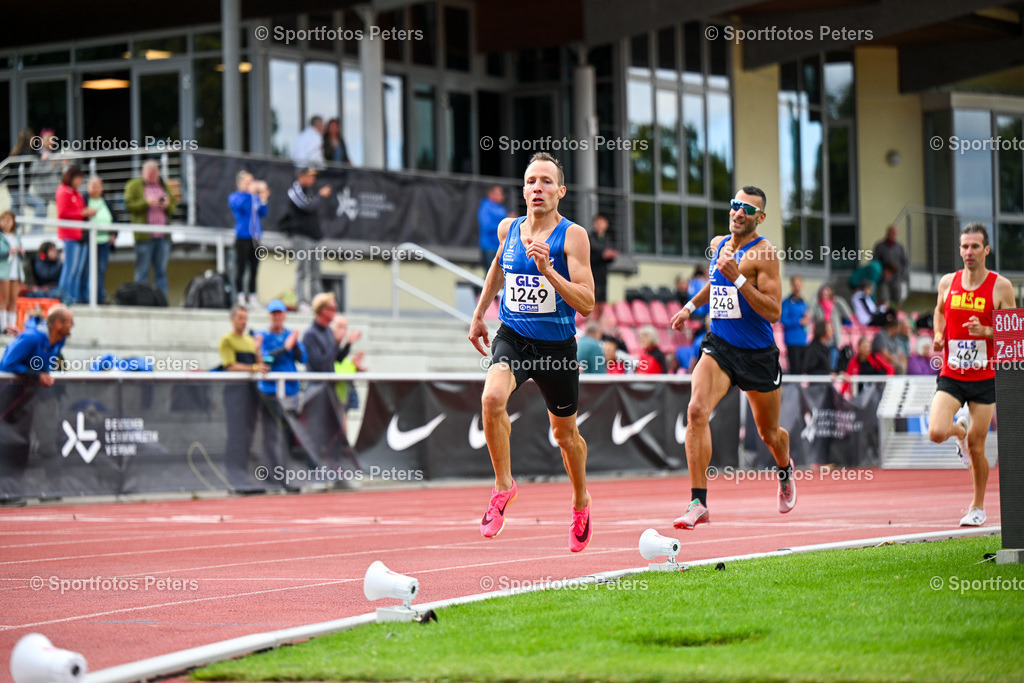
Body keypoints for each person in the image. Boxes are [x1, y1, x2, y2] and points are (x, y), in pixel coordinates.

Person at [468, 152, 595, 552]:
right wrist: (479, 314)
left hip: (556, 347)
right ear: (523, 190)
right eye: (530, 181)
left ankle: (581, 502)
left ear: (561, 191)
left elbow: (588, 303)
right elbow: (498, 268)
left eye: (545, 181)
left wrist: (550, 271)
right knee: (491, 399)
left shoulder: (573, 236)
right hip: (514, 337)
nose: (537, 188)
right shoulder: (508, 228)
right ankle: (503, 487)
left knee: (565, 435)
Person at [670, 186, 795, 529]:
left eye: (748, 209)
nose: (739, 212)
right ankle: (699, 502)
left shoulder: (765, 254)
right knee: (696, 411)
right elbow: (715, 283)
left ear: (760, 217)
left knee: (769, 434)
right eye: (736, 205)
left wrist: (738, 277)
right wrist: (690, 306)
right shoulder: (719, 244)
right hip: (720, 346)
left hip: (756, 354)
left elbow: (773, 312)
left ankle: (785, 468)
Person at [927, 223, 1015, 527]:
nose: (969, 252)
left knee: (978, 447)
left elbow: (1014, 336)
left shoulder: (1001, 287)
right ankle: (959, 431)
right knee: (936, 432)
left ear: (986, 250)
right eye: (964, 246)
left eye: (975, 246)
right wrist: (938, 334)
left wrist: (987, 331)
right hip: (952, 372)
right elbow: (939, 311)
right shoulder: (947, 282)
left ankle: (977, 507)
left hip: (985, 377)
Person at [0, 305, 74, 504]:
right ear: (57, 324)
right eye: (69, 322)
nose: (72, 326)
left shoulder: (59, 341)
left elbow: (45, 364)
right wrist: (36, 376)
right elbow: (7, 363)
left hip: (35, 394)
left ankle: (49, 490)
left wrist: (42, 376)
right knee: (12, 443)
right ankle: (7, 493)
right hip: (12, 394)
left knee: (43, 442)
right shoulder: (31, 338)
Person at [255, 300, 307, 485]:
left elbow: (302, 359)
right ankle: (270, 477)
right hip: (270, 392)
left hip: (290, 392)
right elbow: (266, 361)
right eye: (273, 313)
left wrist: (293, 345)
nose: (277, 317)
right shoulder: (262, 336)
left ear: (284, 315)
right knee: (270, 435)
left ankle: (286, 476)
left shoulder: (291, 335)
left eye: (279, 313)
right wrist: (286, 347)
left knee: (287, 435)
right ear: (269, 316)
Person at [218, 305, 268, 492]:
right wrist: (253, 368)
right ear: (232, 319)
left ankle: (243, 477)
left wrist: (258, 350)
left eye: (245, 318)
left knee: (248, 435)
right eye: (240, 318)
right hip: (234, 393)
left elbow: (260, 364)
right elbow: (230, 366)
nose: (243, 321)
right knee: (236, 436)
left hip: (251, 393)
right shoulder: (227, 340)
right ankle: (233, 479)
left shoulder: (250, 340)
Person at [280, 167, 332, 312]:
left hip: (315, 237)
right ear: (301, 177)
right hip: (301, 237)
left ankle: (317, 302)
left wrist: (319, 234)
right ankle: (301, 301)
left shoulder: (310, 192)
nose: (313, 179)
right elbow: (307, 207)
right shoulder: (295, 191)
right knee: (302, 270)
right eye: (310, 176)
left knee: (316, 272)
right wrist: (320, 195)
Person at [124, 160, 176, 298]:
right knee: (142, 271)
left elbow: (173, 207)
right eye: (150, 173)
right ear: (143, 172)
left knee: (161, 272)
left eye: (155, 173)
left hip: (162, 236)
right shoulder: (134, 185)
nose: (152, 176)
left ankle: (161, 300)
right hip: (144, 237)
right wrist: (146, 202)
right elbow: (128, 205)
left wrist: (167, 205)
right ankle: (141, 301)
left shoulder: (163, 186)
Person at [55, 165, 96, 304]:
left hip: (79, 235)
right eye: (78, 178)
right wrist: (82, 213)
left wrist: (87, 212)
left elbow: (81, 210)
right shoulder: (63, 191)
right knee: (70, 269)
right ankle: (65, 297)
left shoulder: (76, 193)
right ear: (71, 177)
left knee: (77, 270)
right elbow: (63, 213)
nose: (80, 181)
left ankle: (73, 297)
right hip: (70, 235)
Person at [228, 171, 270, 307]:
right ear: (240, 183)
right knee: (241, 268)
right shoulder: (235, 197)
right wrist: (250, 193)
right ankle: (240, 295)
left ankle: (252, 296)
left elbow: (263, 212)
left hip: (255, 238)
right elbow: (241, 207)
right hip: (242, 237)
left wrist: (263, 198)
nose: (251, 184)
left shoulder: (254, 197)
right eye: (247, 182)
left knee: (254, 268)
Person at [303, 293, 361, 373]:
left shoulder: (329, 331)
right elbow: (319, 365)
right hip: (317, 380)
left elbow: (337, 359)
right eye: (333, 309)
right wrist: (336, 343)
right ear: (324, 310)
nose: (335, 312)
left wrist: (347, 344)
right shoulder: (310, 334)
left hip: (330, 380)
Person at [84, 176, 114, 304]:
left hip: (104, 241)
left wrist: (113, 234)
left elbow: (115, 219)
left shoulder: (106, 202)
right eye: (93, 186)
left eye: (98, 186)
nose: (96, 189)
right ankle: (88, 297)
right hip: (88, 242)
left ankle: (99, 298)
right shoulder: (84, 200)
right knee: (88, 270)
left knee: (101, 270)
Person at [588, 214, 618, 323]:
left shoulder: (607, 240)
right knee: (593, 303)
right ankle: (591, 325)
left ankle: (597, 325)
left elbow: (608, 259)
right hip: (592, 274)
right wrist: (602, 255)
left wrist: (611, 256)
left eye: (603, 222)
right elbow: (588, 257)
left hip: (603, 275)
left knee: (601, 303)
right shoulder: (589, 238)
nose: (600, 225)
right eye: (598, 222)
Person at [0, 211, 26, 335]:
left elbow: (23, 257)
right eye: (3, 220)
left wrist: (21, 252)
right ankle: (3, 326)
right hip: (4, 272)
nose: (6, 223)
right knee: (4, 299)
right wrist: (8, 251)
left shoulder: (16, 237)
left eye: (9, 220)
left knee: (13, 300)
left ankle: (12, 326)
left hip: (16, 271)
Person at [780, 275, 810, 374]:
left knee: (803, 369)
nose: (797, 287)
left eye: (799, 285)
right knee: (795, 368)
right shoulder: (787, 302)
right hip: (792, 340)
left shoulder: (803, 302)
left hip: (803, 340)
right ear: (792, 285)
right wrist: (798, 322)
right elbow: (783, 320)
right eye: (795, 285)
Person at [874, 225, 908, 307]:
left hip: (896, 278)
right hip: (883, 279)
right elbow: (875, 262)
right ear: (887, 233)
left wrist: (900, 273)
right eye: (892, 233)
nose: (894, 235)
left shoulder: (899, 247)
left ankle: (894, 313)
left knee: (897, 300)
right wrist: (882, 273)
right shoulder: (880, 246)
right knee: (883, 300)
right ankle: (884, 313)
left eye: (895, 233)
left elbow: (904, 262)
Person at [477, 184, 507, 271]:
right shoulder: (485, 207)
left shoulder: (502, 208)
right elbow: (487, 226)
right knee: (490, 273)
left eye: (502, 193)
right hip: (489, 247)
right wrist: (505, 226)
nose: (501, 196)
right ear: (491, 194)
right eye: (498, 193)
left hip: (501, 247)